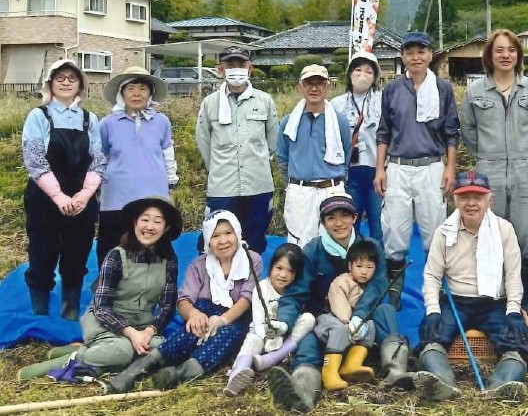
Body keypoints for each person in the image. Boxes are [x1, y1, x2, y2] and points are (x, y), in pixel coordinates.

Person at [268, 195, 413, 413]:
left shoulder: (371, 246)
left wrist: (359, 316)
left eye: (345, 216)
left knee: (386, 310)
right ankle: (302, 391)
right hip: (324, 318)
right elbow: (296, 293)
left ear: (355, 218)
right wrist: (284, 322)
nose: (339, 223)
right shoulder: (313, 250)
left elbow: (378, 286)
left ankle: (396, 372)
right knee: (308, 335)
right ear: (323, 223)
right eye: (331, 218)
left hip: (364, 319)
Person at [17, 196, 182, 381]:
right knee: (124, 351)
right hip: (104, 321)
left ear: (166, 228)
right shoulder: (116, 256)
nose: (150, 227)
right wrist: (131, 334)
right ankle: (72, 357)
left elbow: (167, 305)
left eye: (157, 221)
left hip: (142, 324)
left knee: (163, 349)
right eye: (144, 219)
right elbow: (102, 307)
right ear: (135, 222)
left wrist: (148, 332)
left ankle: (90, 350)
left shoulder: (170, 260)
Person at [108, 210, 263, 393]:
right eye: (215, 236)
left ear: (237, 233)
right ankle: (134, 371)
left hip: (235, 316)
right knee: (186, 335)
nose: (223, 241)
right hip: (203, 311)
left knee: (225, 337)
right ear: (208, 241)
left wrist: (223, 320)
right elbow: (184, 300)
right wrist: (194, 314)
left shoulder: (252, 260)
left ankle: (179, 374)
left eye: (228, 233)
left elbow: (246, 298)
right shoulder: (199, 264)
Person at [413, 171, 528, 402]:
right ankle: (442, 383)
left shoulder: (504, 229)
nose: (471, 203)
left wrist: (514, 310)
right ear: (455, 200)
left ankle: (501, 386)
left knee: (517, 341)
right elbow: (431, 276)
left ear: (489, 199)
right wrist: (433, 310)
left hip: (494, 301)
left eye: (477, 197)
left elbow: (513, 276)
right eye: (464, 196)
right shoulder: (443, 232)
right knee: (431, 337)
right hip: (456, 301)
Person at [460, 29, 528, 310]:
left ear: (518, 55)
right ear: (489, 56)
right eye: (499, 50)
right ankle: (496, 299)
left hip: (527, 169)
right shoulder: (476, 91)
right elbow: (468, 129)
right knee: (491, 232)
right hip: (490, 170)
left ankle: (523, 305)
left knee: (527, 236)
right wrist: (485, 157)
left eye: (511, 50)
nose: (505, 55)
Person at [374, 31, 460, 309]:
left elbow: (451, 132)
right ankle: (394, 289)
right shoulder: (393, 89)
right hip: (398, 167)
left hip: (431, 166)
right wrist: (380, 168)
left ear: (430, 54)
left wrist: (450, 168)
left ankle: (434, 288)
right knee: (394, 230)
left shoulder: (443, 89)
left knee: (435, 231)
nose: (416, 57)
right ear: (403, 57)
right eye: (410, 52)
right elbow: (383, 132)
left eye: (421, 51)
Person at [22, 59, 106, 320]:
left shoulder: (89, 119)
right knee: (42, 254)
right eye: (60, 78)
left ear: (80, 85)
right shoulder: (39, 116)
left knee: (77, 255)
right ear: (50, 83)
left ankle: (69, 313)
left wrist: (85, 194)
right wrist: (58, 196)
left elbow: (99, 159)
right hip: (44, 199)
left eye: (72, 78)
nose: (66, 82)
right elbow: (34, 159)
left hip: (82, 199)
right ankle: (41, 314)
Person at [196, 46, 279, 253]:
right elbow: (204, 142)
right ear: (220, 70)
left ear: (249, 68)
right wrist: (217, 167)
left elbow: (273, 140)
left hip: (258, 185)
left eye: (241, 65)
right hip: (222, 187)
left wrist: (257, 160)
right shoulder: (209, 103)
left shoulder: (264, 101)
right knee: (217, 243)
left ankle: (250, 285)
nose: (236, 69)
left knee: (255, 242)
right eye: (230, 65)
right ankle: (217, 285)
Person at [97, 67, 177, 273]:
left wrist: (171, 188)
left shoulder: (162, 122)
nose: (136, 93)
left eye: (142, 88)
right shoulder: (107, 124)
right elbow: (98, 159)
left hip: (153, 200)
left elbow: (168, 156)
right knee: (112, 255)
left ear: (150, 94)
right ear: (121, 94)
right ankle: (106, 299)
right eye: (130, 88)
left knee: (153, 258)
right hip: (116, 201)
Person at [224, 243, 316, 396]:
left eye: (290, 271)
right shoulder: (261, 288)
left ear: (296, 274)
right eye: (279, 268)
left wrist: (280, 335)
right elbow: (258, 321)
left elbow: (296, 316)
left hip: (285, 339)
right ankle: (237, 373)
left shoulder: (295, 291)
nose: (283, 275)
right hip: (262, 334)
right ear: (271, 267)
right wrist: (267, 336)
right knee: (252, 340)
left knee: (308, 319)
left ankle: (271, 359)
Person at [278, 64, 351, 247]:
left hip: (331, 189)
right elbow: (282, 158)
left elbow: (347, 154)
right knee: (298, 245)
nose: (314, 88)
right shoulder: (288, 122)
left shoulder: (340, 121)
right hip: (300, 192)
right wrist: (294, 184)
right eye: (309, 83)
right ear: (300, 86)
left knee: (335, 243)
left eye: (319, 83)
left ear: (328, 87)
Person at [313, 240, 380, 390]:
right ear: (350, 266)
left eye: (370, 267)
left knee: (370, 326)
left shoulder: (369, 287)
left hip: (352, 325)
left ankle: (352, 364)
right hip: (331, 318)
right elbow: (338, 300)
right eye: (359, 266)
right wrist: (346, 321)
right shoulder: (342, 280)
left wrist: (357, 323)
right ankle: (329, 372)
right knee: (339, 330)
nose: (364, 271)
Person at [331, 52, 383, 241]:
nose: (363, 75)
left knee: (378, 224)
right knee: (351, 222)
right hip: (349, 172)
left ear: (375, 76)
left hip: (376, 171)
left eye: (369, 71)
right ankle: (354, 265)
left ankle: (378, 265)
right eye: (358, 70)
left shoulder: (383, 100)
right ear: (349, 74)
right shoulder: (336, 104)